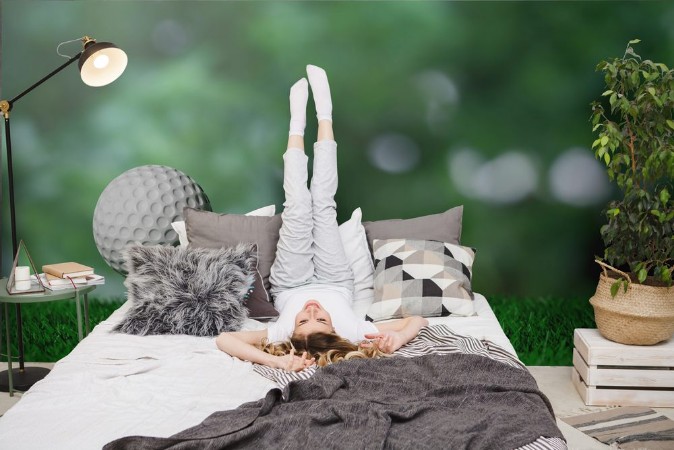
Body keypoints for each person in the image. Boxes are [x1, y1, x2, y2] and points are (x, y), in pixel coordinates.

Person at [216, 65, 428, 372]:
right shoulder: (355, 332)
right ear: (335, 330)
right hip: (337, 280)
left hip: (290, 283)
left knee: (298, 205)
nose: (312, 311)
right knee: (324, 203)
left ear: (292, 331)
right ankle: (325, 113)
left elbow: (225, 339)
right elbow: (417, 320)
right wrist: (399, 338)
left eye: (303, 319)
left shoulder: (281, 333)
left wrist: (274, 360)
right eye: (322, 319)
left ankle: (296, 126)